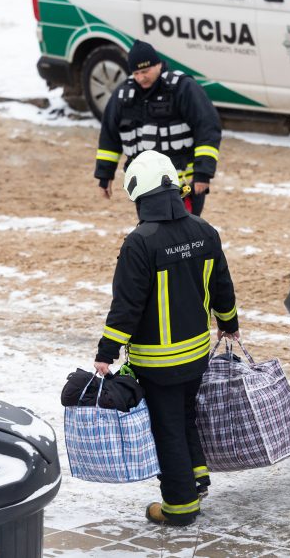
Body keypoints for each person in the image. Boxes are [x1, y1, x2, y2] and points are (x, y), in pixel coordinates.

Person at [92, 150, 240, 526]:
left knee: (167, 426)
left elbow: (127, 306)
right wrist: (229, 322)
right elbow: (222, 287)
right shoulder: (205, 232)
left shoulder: (140, 242)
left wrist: (106, 352)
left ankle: (180, 505)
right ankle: (196, 477)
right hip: (196, 355)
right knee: (186, 415)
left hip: (157, 361)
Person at [94, 40, 223, 217]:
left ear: (159, 65)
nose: (141, 78)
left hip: (184, 184)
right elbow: (109, 137)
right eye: (136, 73)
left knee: (183, 235)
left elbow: (207, 128)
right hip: (145, 186)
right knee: (153, 236)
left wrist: (202, 174)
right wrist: (104, 175)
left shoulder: (183, 88)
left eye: (145, 71)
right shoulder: (123, 95)